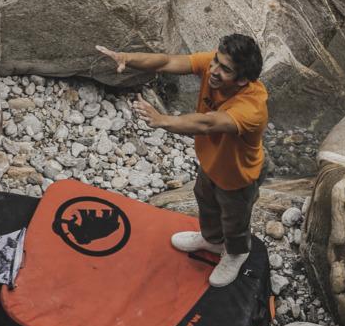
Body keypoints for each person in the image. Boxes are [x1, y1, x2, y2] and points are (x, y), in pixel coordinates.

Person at [95, 33, 267, 288]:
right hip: (211, 162)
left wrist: (162, 120)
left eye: (224, 69)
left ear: (242, 79)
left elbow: (207, 123)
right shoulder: (216, 66)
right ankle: (211, 239)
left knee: (234, 219)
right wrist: (128, 58)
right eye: (216, 61)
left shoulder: (252, 108)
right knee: (205, 200)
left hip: (237, 176)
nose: (213, 70)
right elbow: (166, 62)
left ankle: (235, 252)